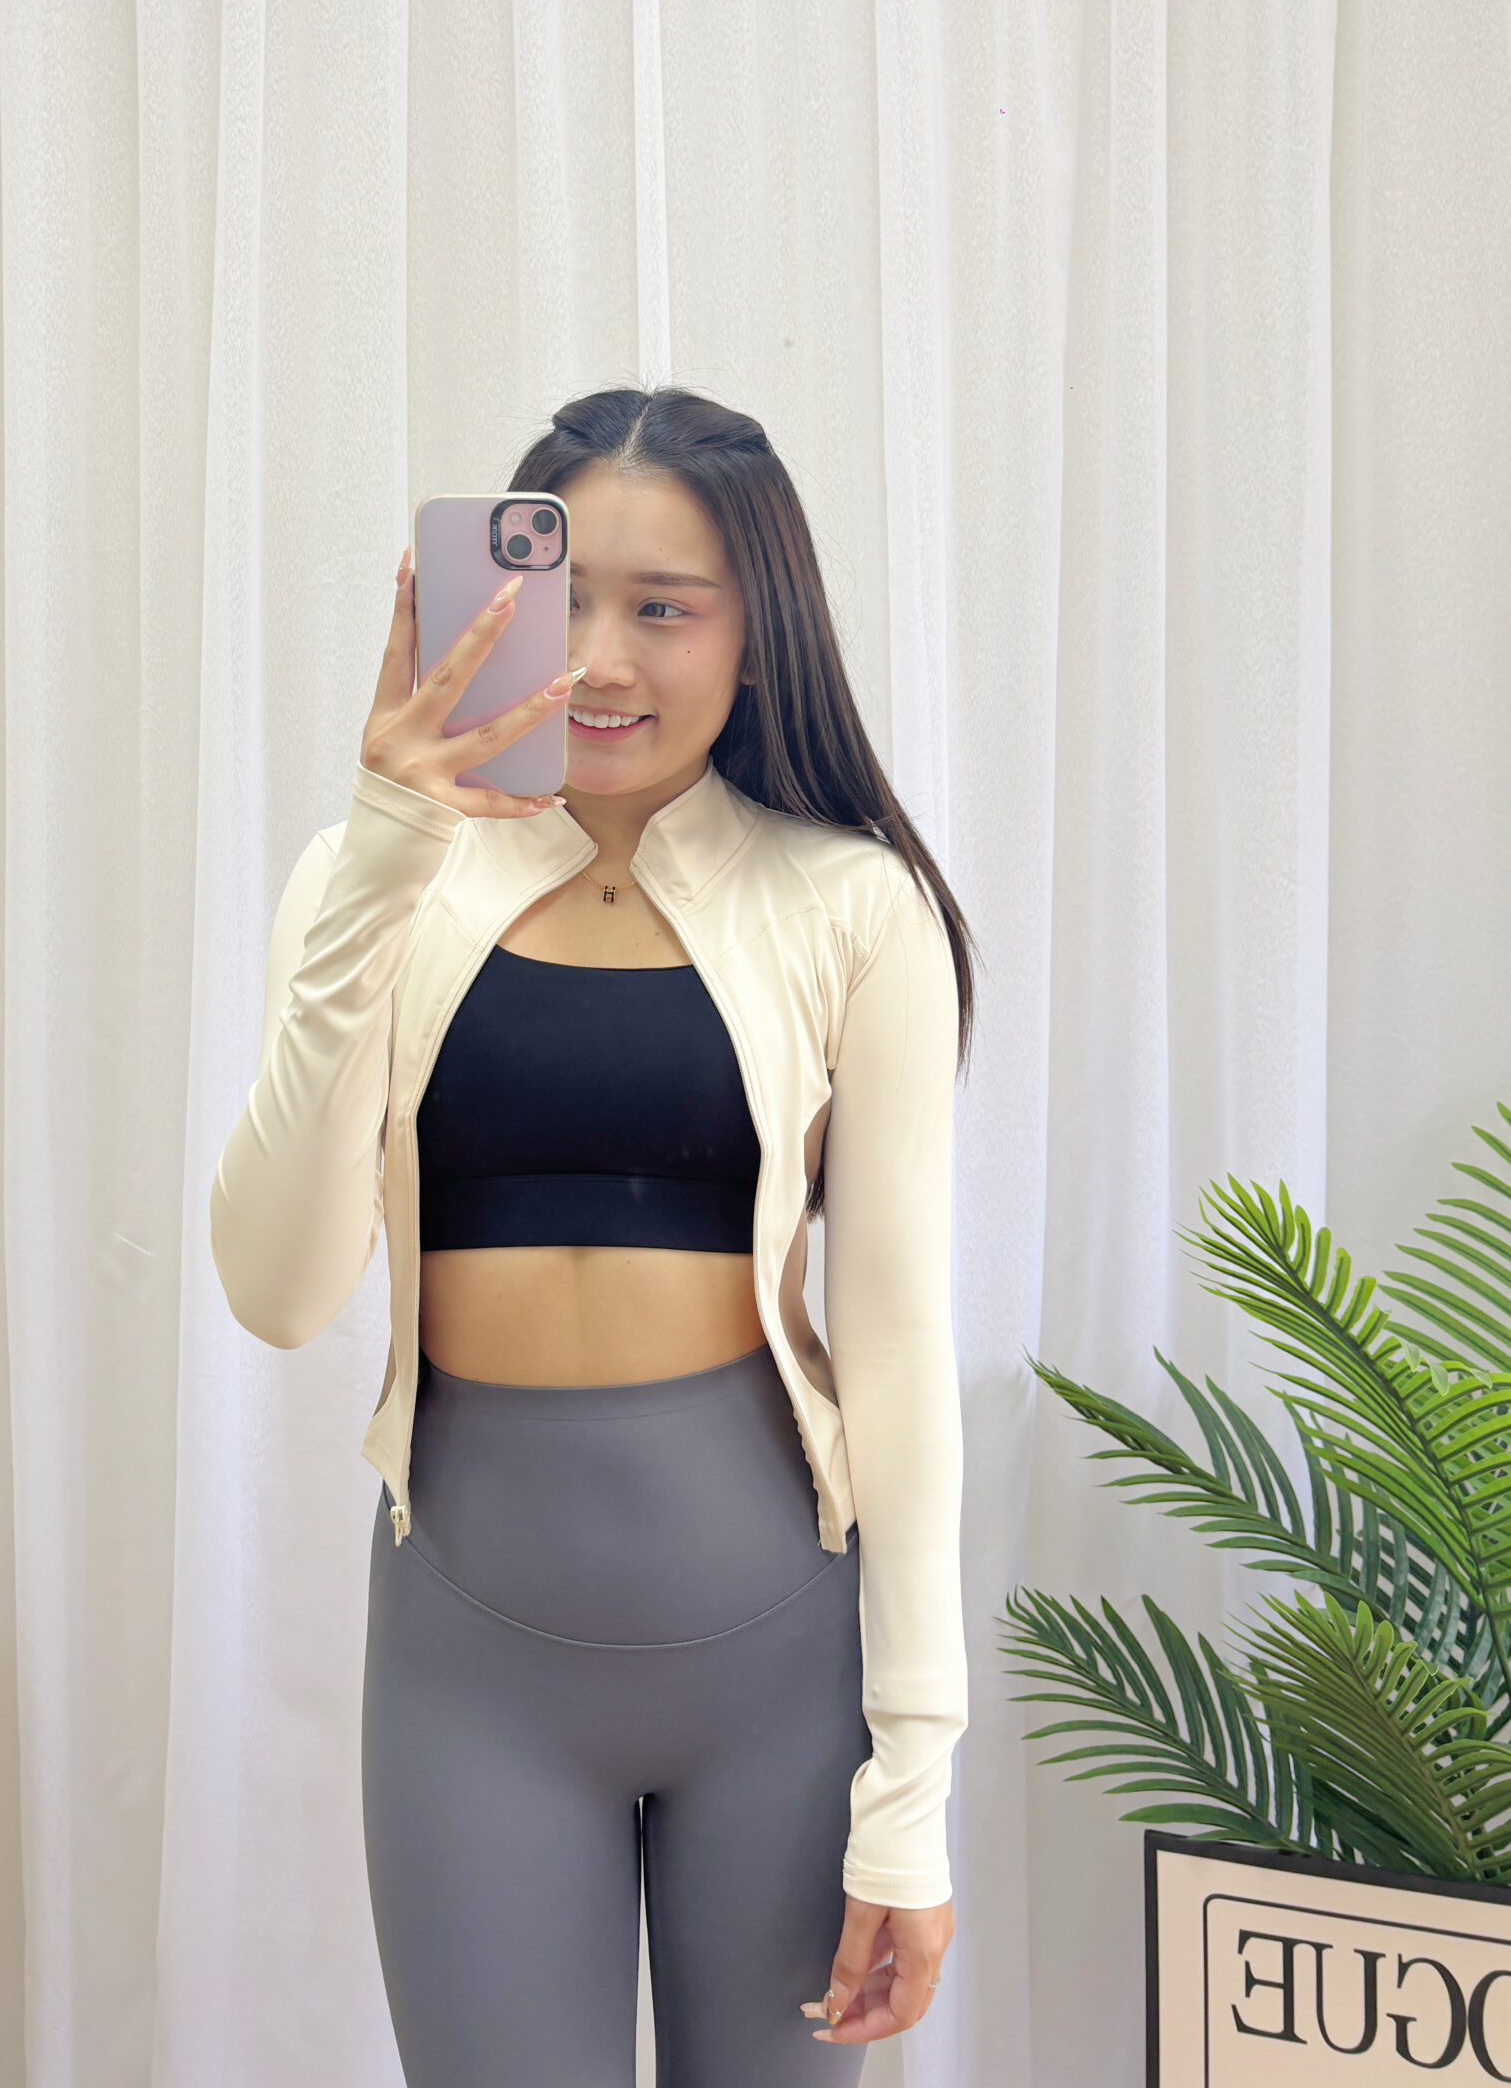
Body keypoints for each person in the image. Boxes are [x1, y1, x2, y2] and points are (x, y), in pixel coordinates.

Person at [211, 389, 972, 2085]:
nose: (602, 660)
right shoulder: (369, 880)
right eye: (562, 603)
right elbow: (276, 1291)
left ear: (758, 636)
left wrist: (913, 1787)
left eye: (664, 608)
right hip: (469, 1663)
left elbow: (900, 1349)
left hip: (782, 1662)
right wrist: (388, 848)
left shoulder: (852, 906)